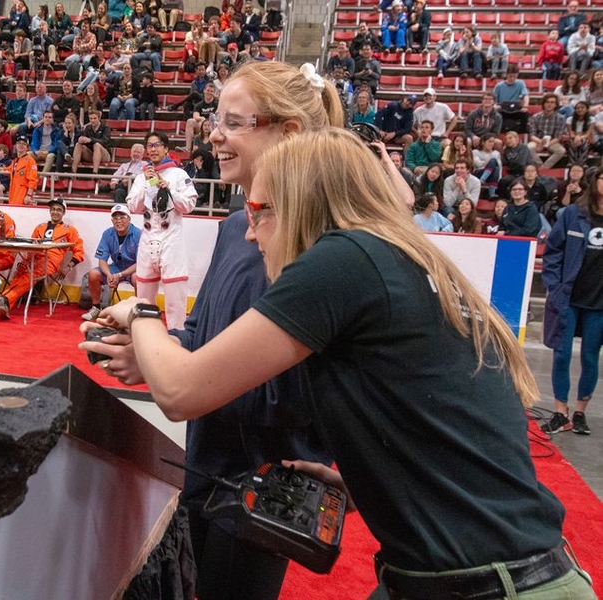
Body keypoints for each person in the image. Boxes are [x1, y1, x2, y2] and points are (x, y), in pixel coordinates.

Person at [83, 128, 594, 600]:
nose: (249, 233)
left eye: (258, 210)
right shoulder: (398, 259)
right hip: (491, 572)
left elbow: (180, 392)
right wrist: (370, 478)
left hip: (482, 584)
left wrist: (140, 310)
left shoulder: (342, 260)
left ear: (303, 204)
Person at [82, 60, 346, 599]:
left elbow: (286, 392)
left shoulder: (319, 244)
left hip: (259, 490)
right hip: (204, 466)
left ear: (288, 133)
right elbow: (204, 330)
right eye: (214, 118)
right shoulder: (234, 226)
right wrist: (153, 355)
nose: (214, 134)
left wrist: (155, 341)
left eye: (234, 121)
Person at [541, 168, 603, 436]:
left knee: (590, 358)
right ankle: (560, 412)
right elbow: (553, 251)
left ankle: (580, 412)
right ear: (595, 182)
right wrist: (554, 287)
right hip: (568, 299)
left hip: (598, 304)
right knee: (561, 355)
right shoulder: (573, 214)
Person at [126, 131, 197, 330]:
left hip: (171, 238)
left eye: (157, 145)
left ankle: (177, 337)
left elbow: (189, 205)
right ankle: (145, 336)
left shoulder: (178, 174)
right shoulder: (143, 176)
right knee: (144, 297)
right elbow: (133, 206)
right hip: (148, 239)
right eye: (150, 146)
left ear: (166, 148)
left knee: (175, 299)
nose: (153, 149)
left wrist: (170, 190)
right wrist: (147, 183)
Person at [0, 197, 84, 320]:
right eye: (53, 209)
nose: (55, 212)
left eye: (59, 210)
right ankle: (5, 305)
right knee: (21, 270)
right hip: (34, 258)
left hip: (51, 260)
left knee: (31, 273)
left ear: (63, 212)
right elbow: (32, 245)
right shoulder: (40, 227)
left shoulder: (70, 230)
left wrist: (68, 266)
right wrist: (27, 260)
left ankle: (5, 299)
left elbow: (79, 251)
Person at [82, 204, 142, 321]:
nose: (119, 221)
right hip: (116, 268)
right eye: (115, 218)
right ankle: (96, 308)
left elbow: (140, 263)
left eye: (122, 217)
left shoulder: (139, 234)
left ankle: (138, 312)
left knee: (137, 279)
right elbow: (102, 260)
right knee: (93, 274)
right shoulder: (107, 233)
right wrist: (109, 275)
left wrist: (120, 275)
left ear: (129, 218)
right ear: (112, 220)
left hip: (134, 269)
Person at [528, 94, 568, 169]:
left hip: (553, 142)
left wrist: (545, 144)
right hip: (538, 140)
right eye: (547, 102)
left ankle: (543, 168)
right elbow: (532, 135)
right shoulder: (535, 117)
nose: (549, 104)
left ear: (556, 105)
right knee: (528, 148)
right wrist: (541, 143)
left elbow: (558, 137)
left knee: (561, 150)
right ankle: (539, 165)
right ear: (544, 103)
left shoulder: (560, 118)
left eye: (552, 102)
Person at [6, 135, 38, 205]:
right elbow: (8, 169)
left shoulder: (30, 161)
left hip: (23, 194)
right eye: (19, 143)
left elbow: (33, 180)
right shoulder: (15, 160)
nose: (21, 145)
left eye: (24, 144)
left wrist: (28, 195)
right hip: (13, 193)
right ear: (16, 145)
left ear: (27, 147)